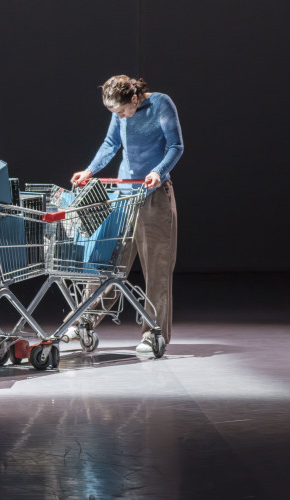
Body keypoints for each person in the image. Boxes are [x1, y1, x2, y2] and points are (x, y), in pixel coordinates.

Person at [70, 75, 183, 352]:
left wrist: (158, 171)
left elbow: (175, 146)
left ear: (134, 98)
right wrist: (89, 170)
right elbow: (110, 144)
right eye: (114, 113)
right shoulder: (119, 113)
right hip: (124, 196)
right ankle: (84, 321)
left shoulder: (161, 104)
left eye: (121, 111)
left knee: (156, 270)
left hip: (154, 194)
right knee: (108, 262)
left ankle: (153, 332)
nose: (119, 116)